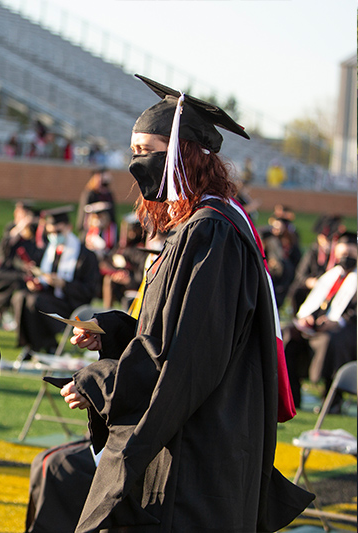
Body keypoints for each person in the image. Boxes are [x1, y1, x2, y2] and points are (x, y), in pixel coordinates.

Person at [60, 75, 313, 532]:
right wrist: (116, 330)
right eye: (133, 151)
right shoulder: (208, 224)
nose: (136, 164)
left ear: (184, 154)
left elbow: (186, 356)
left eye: (147, 150)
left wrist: (101, 382)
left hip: (199, 452)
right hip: (200, 432)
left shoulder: (210, 232)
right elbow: (182, 328)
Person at [11, 206, 99, 357]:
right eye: (50, 233)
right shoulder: (48, 250)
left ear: (69, 227)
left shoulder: (85, 255)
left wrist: (64, 284)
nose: (54, 236)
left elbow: (90, 290)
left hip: (71, 303)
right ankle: (31, 345)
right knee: (20, 297)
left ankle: (45, 345)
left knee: (35, 302)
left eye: (58, 232)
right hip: (48, 297)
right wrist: (35, 283)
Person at [284, 231, 356, 411]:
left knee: (331, 341)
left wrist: (339, 322)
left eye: (350, 254)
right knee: (287, 334)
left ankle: (332, 400)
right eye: (343, 254)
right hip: (317, 326)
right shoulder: (330, 275)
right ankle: (290, 396)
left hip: (346, 327)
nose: (346, 258)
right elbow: (315, 299)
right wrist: (307, 317)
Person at [0, 200, 40, 328]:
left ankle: (9, 315)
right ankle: (0, 312)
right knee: (3, 278)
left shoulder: (34, 230)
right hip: (10, 267)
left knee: (20, 280)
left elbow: (37, 250)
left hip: (26, 269)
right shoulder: (11, 228)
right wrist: (20, 228)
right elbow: (4, 249)